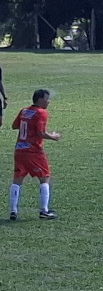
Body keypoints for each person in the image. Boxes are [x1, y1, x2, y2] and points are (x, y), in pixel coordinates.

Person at [8, 89, 60, 220]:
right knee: (45, 177)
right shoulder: (41, 113)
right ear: (40, 100)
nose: (48, 101)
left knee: (17, 180)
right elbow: (40, 133)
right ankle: (44, 210)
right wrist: (53, 136)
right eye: (47, 99)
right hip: (34, 151)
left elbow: (15, 126)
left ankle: (13, 211)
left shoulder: (24, 111)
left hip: (19, 149)